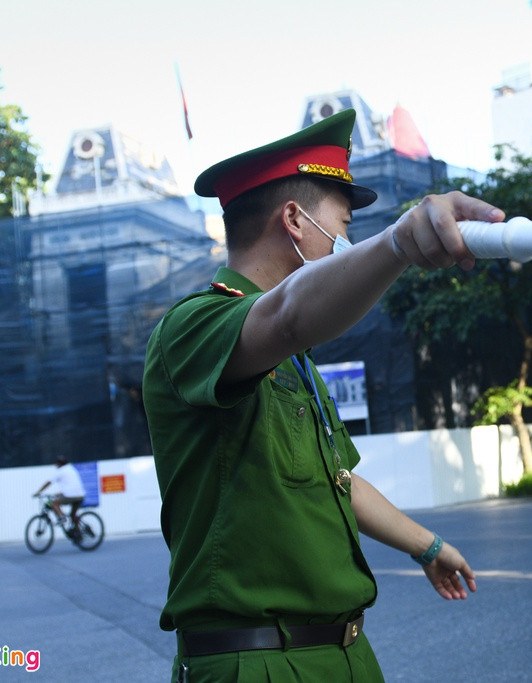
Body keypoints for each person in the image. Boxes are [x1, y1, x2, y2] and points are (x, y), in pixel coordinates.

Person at [143, 109, 503, 682]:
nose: (348, 241)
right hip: (259, 662)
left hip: (345, 651)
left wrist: (428, 546)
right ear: (294, 220)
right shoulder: (195, 325)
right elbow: (285, 315)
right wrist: (401, 242)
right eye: (341, 224)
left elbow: (336, 478)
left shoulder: (292, 359)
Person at [33, 457, 86, 528]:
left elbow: (49, 482)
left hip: (70, 496)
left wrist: (38, 492)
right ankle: (78, 533)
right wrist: (60, 493)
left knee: (52, 502)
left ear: (59, 464)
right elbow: (71, 486)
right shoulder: (71, 469)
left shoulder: (60, 471)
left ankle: (61, 517)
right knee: (73, 515)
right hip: (80, 495)